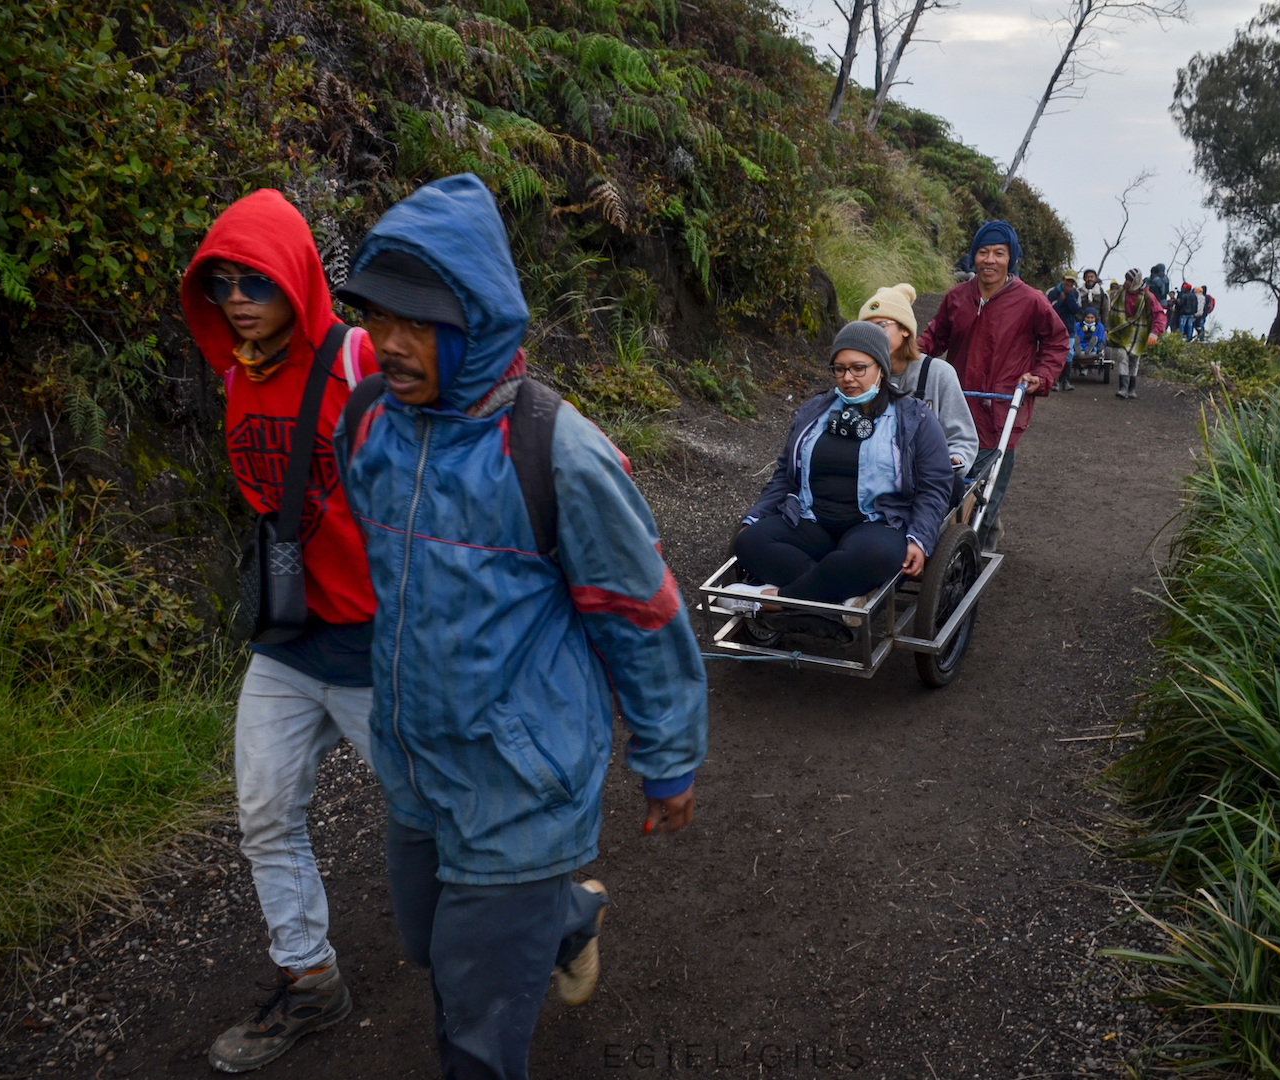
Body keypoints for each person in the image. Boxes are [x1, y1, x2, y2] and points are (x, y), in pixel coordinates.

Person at [334, 174, 708, 1080]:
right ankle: (569, 914)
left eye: (418, 320)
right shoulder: (368, 424)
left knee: (474, 1025)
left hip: (520, 780)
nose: (389, 340)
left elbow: (641, 611)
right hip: (416, 762)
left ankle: (540, 911)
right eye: (378, 314)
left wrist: (667, 755)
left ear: (480, 319)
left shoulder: (555, 450)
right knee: (426, 942)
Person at [179, 190, 379, 1073]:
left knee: (436, 820)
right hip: (290, 634)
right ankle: (309, 980)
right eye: (219, 281)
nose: (235, 296)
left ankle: (535, 918)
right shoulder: (235, 371)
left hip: (378, 641)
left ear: (295, 275)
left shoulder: (358, 359)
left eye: (253, 277)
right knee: (264, 812)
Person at [733, 321, 954, 640]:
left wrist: (920, 537)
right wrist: (754, 516)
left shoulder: (913, 417)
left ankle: (778, 603)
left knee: (878, 557)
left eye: (858, 368)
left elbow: (935, 486)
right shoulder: (816, 410)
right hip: (812, 520)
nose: (848, 378)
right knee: (748, 541)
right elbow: (784, 473)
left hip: (875, 524)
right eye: (839, 369)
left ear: (881, 366)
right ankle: (837, 600)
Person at [916, 220, 1069, 541]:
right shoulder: (958, 297)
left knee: (986, 484)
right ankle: (977, 531)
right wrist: (904, 356)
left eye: (999, 253)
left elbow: (1057, 341)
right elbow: (933, 338)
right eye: (983, 252)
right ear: (974, 257)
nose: (990, 260)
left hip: (1000, 410)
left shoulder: (1031, 301)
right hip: (955, 406)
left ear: (1011, 258)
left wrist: (1040, 377)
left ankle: (974, 542)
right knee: (952, 478)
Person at [858, 282, 978, 475]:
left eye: (881, 326)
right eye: (866, 328)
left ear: (905, 329)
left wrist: (955, 460)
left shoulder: (938, 374)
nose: (873, 335)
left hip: (925, 477)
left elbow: (962, 439)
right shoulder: (858, 374)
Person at [1103, 267, 1167, 400]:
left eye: (1129, 280)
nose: (1126, 282)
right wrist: (1108, 328)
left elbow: (1159, 314)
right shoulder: (1121, 292)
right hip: (1122, 330)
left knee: (1134, 359)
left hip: (1140, 332)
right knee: (1121, 356)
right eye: (1126, 279)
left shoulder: (1148, 296)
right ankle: (1123, 388)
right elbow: (1112, 311)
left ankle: (1132, 388)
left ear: (1135, 281)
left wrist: (1155, 332)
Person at [1044, 269, 1081, 391]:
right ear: (1062, 279)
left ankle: (1066, 381)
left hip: (1069, 328)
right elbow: (1048, 310)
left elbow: (1076, 309)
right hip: (1053, 327)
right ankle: (1054, 381)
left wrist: (1069, 296)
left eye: (1072, 282)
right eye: (1067, 280)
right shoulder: (1052, 292)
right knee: (1054, 353)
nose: (1069, 283)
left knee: (1069, 354)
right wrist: (1061, 300)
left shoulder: (1076, 293)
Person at [1075, 307, 1106, 373]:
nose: (1089, 320)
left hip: (1094, 347)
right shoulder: (1077, 326)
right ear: (1084, 317)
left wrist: (1099, 348)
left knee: (1094, 350)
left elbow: (1101, 339)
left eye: (1092, 318)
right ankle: (1080, 350)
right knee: (1076, 347)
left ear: (1095, 318)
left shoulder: (1100, 327)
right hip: (1080, 345)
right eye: (1088, 317)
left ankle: (1088, 350)